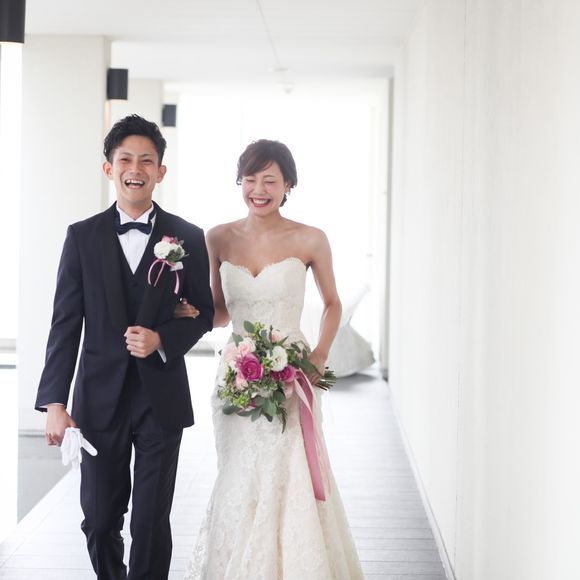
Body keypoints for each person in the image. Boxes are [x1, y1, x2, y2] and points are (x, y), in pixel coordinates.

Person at [35, 114, 214, 579]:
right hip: (98, 400)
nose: (136, 169)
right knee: (99, 520)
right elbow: (65, 324)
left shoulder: (188, 237)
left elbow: (204, 313)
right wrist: (55, 403)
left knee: (150, 523)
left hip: (161, 398)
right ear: (109, 168)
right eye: (126, 160)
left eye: (147, 161)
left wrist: (162, 339)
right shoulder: (82, 237)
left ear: (161, 171)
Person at [180, 139, 363, 579]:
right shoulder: (217, 237)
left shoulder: (310, 238)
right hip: (236, 375)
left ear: (288, 185)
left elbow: (333, 304)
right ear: (239, 182)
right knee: (239, 474)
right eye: (250, 179)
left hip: (292, 375)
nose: (258, 190)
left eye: (269, 180)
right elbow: (221, 312)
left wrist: (319, 356)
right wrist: (188, 313)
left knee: (290, 473)